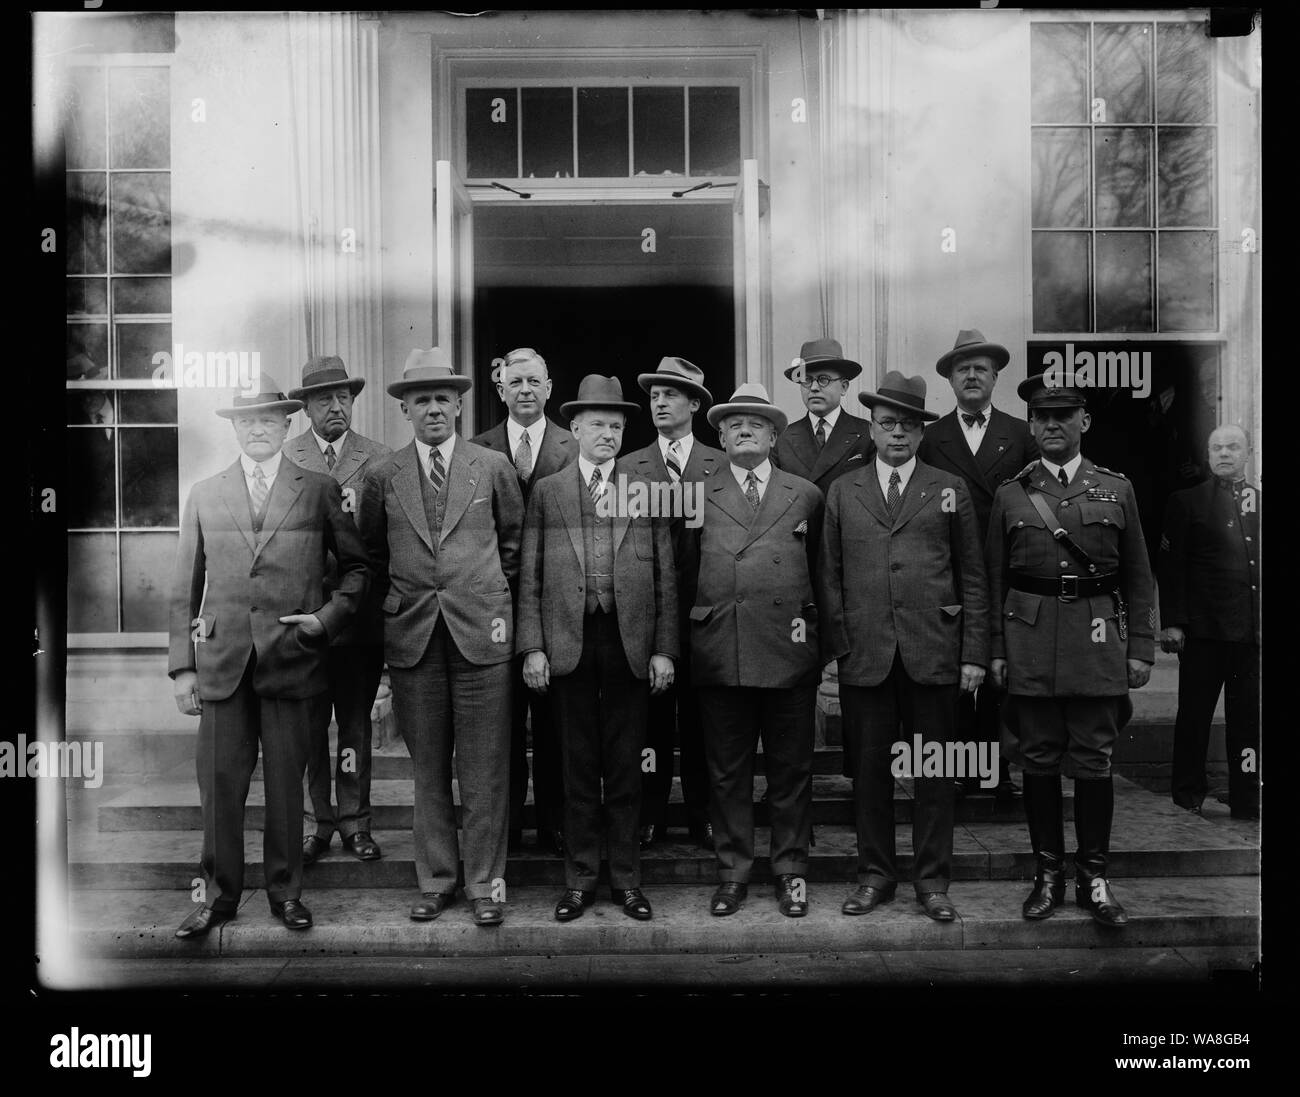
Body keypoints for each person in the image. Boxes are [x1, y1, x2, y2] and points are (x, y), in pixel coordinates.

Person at [168, 376, 369, 939]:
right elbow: (186, 582)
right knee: (220, 787)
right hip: (222, 664)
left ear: (288, 425)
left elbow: (357, 570)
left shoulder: (318, 488)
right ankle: (218, 899)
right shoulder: (206, 492)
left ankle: (286, 894)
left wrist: (325, 621)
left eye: (269, 419)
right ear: (234, 428)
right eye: (246, 420)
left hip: (293, 659)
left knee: (286, 787)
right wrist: (183, 666)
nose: (258, 428)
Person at [360, 348, 524, 926]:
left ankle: (486, 884)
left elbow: (513, 550)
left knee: (484, 767)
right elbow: (373, 559)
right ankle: (436, 880)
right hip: (414, 638)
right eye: (420, 400)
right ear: (405, 409)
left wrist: (495, 611)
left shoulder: (493, 467)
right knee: (428, 767)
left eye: (441, 399)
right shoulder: (384, 475)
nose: (432, 409)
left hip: (482, 635)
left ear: (459, 404)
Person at [986, 374, 1155, 927]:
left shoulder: (1116, 488)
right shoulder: (1011, 493)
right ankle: (1048, 875)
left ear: (1084, 421)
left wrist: (1142, 649)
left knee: (1093, 762)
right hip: (1028, 641)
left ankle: (1094, 878)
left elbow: (1138, 575)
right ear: (1031, 426)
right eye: (1041, 418)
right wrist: (995, 649)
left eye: (1063, 416)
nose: (1051, 425)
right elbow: (992, 579)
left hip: (1097, 639)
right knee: (1036, 760)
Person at [822, 371, 989, 921]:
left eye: (909, 425)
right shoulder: (844, 490)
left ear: (922, 433)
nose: (897, 434)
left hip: (934, 651)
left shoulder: (948, 487)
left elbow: (973, 576)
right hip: (865, 655)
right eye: (888, 423)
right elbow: (830, 576)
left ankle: (932, 880)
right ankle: (875, 874)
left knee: (934, 772)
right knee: (869, 772)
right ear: (871, 428)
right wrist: (836, 648)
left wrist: (972, 654)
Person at [517, 374, 678, 922]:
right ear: (576, 428)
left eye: (615, 425)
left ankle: (627, 881)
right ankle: (581, 879)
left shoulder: (644, 489)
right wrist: (532, 647)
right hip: (569, 644)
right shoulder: (548, 491)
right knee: (577, 767)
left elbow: (665, 579)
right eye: (596, 425)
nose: (606, 433)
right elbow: (530, 578)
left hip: (629, 643)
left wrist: (664, 649)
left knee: (627, 766)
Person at [691, 383, 826, 918]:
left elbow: (822, 573)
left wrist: (818, 646)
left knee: (791, 770)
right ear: (719, 434)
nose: (744, 429)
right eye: (734, 423)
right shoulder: (695, 493)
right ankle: (733, 873)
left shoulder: (806, 493)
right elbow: (681, 572)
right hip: (720, 648)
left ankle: (791, 871)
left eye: (756, 423)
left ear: (773, 434)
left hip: (789, 652)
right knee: (728, 772)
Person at [917, 329, 1038, 801]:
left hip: (1005, 566)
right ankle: (953, 770)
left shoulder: (1021, 434)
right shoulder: (931, 437)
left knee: (997, 668)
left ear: (994, 378)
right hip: (949, 567)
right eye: (962, 369)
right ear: (949, 379)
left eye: (981, 369)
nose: (972, 375)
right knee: (954, 667)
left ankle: (995, 772)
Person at [284, 355, 392, 865]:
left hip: (359, 617)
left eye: (344, 397)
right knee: (309, 725)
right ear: (306, 406)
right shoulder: (287, 457)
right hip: (303, 619)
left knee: (354, 725)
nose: (336, 407)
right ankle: (315, 823)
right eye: (325, 399)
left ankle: (355, 822)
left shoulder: (380, 459)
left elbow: (384, 546)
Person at [471, 347, 578, 856]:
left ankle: (557, 824)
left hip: (557, 611)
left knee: (556, 724)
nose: (526, 391)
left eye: (534, 381)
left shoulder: (575, 447)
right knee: (500, 727)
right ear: (501, 390)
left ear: (550, 387)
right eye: (515, 383)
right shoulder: (476, 449)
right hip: (489, 612)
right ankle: (507, 828)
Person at [616, 357, 725, 851]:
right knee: (652, 723)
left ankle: (704, 814)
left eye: (671, 394)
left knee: (704, 722)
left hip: (707, 614)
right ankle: (651, 813)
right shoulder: (629, 466)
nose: (659, 402)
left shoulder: (720, 464)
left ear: (696, 405)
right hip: (650, 615)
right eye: (655, 394)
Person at [1158, 424, 1260, 820]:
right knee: (1195, 717)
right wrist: (1173, 623)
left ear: (1248, 453)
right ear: (1207, 454)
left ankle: (1247, 795)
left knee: (1248, 722)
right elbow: (1171, 568)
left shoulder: (1260, 503)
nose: (1224, 454)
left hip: (1248, 634)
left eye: (1233, 447)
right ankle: (1188, 794)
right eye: (1216, 447)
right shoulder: (1188, 502)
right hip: (1202, 632)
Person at [772, 337, 874, 495]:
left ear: (844, 387)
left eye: (823, 379)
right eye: (806, 380)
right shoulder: (782, 439)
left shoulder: (868, 435)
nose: (813, 388)